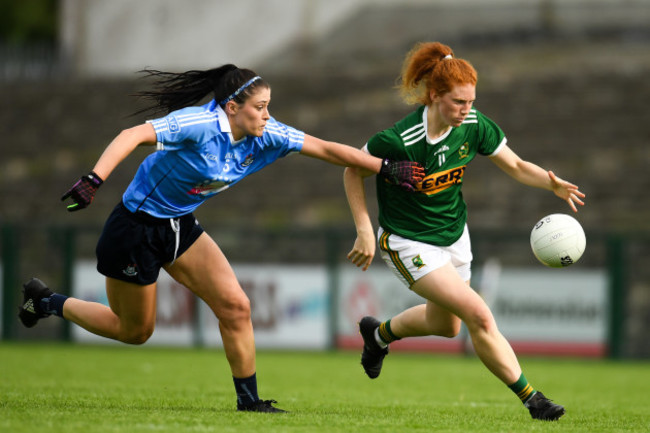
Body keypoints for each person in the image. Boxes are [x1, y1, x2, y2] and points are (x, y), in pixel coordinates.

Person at [18, 64, 424, 413]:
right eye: (261, 107)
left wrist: (385, 167)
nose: (269, 115)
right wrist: (94, 180)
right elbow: (131, 135)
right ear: (232, 107)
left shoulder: (268, 133)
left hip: (180, 225)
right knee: (135, 332)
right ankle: (47, 301)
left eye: (269, 106)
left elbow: (327, 148)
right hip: (135, 228)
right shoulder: (198, 124)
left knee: (235, 306)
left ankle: (249, 402)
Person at [344, 42, 585, 421]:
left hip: (454, 235)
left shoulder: (473, 125)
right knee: (479, 314)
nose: (467, 110)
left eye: (471, 101)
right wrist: (362, 229)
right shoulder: (400, 139)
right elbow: (351, 169)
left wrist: (549, 184)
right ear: (435, 96)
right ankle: (533, 400)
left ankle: (378, 336)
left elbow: (517, 165)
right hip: (407, 241)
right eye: (458, 102)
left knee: (446, 325)